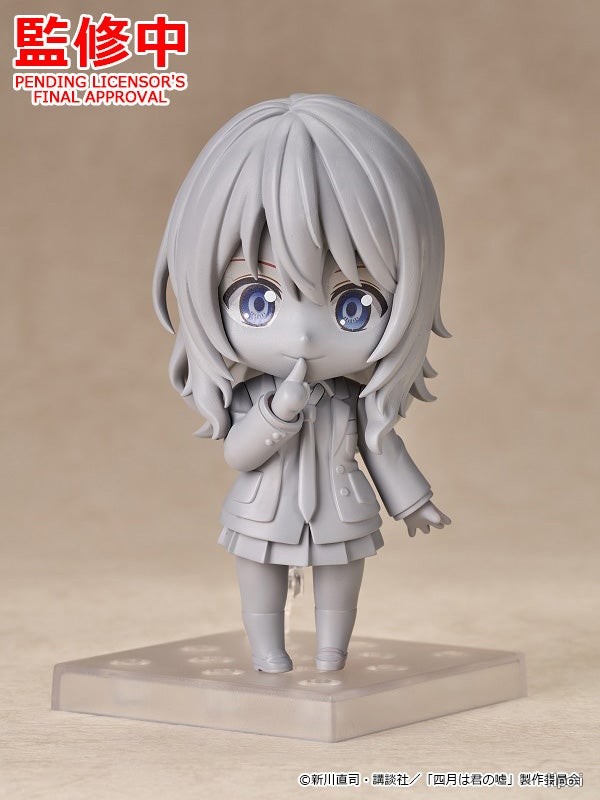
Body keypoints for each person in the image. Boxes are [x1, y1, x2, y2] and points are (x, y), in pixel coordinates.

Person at [153, 94, 451, 673]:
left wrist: (412, 502)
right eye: (258, 300)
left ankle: (332, 651)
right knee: (259, 581)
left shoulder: (352, 399)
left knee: (340, 584)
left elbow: (381, 445)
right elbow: (239, 454)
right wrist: (276, 414)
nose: (304, 336)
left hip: (342, 509)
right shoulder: (250, 396)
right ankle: (268, 653)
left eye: (353, 305)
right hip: (261, 510)